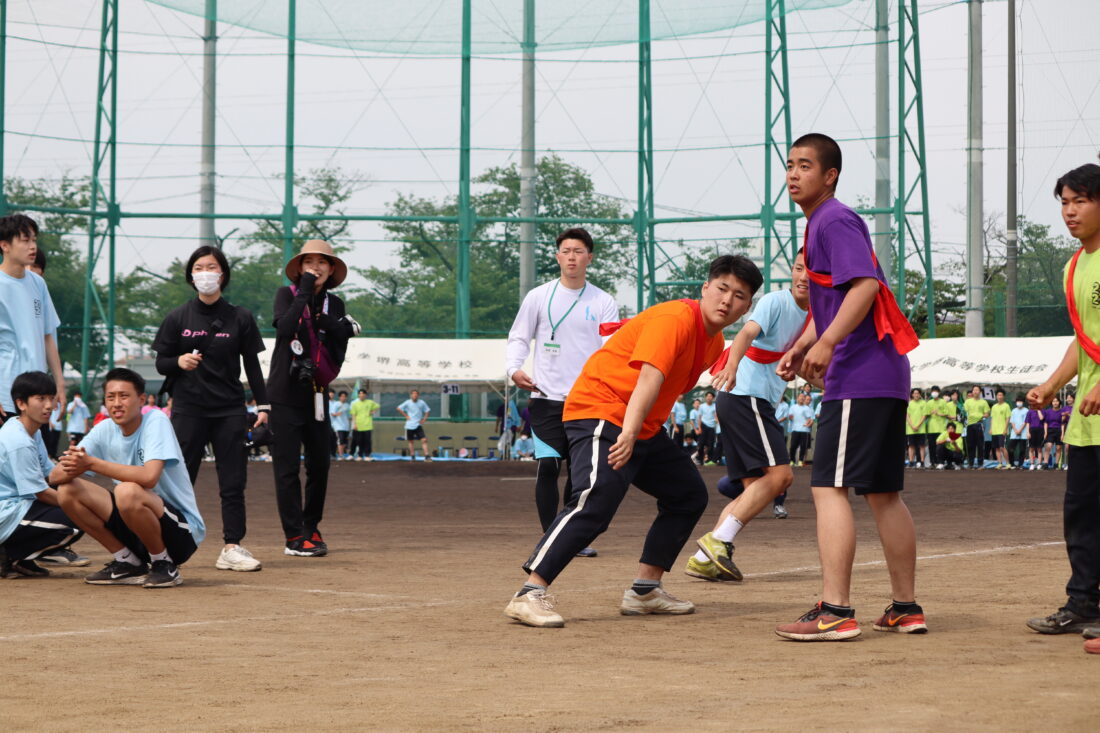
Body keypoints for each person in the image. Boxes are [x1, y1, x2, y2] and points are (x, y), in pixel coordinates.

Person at [504, 254, 762, 628]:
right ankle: (530, 592)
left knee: (688, 494)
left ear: (747, 306)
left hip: (640, 425)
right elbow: (649, 379)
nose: (727, 300)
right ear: (705, 288)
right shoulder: (676, 319)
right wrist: (627, 433)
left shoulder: (713, 340)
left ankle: (645, 590)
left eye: (739, 296)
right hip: (601, 410)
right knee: (596, 498)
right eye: (722, 289)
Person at [774, 133, 925, 641]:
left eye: (805, 165)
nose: (794, 174)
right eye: (790, 165)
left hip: (860, 374)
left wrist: (826, 344)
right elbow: (834, 301)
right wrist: (803, 344)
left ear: (830, 175)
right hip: (884, 372)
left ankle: (835, 610)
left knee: (827, 486)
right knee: (883, 493)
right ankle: (905, 608)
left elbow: (865, 287)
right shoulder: (825, 221)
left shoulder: (832, 219)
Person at [684, 248, 811, 582]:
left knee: (755, 488)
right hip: (745, 396)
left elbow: (801, 365)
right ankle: (717, 542)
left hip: (750, 400)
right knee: (781, 477)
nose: (803, 277)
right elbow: (745, 333)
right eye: (798, 268)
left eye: (812, 271)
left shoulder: (816, 317)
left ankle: (704, 558)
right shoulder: (775, 301)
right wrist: (732, 366)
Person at [153, 245, 270, 573]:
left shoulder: (240, 317)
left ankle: (232, 546)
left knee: (233, 480)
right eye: (199, 267)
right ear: (191, 275)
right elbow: (161, 363)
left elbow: (252, 365)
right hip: (188, 409)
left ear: (223, 274)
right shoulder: (177, 317)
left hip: (229, 409)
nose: (206, 273)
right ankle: (167, 545)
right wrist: (178, 361)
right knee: (180, 478)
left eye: (212, 267)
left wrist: (263, 405)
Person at [505, 227, 619, 556]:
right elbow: (519, 337)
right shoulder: (538, 296)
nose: (572, 257)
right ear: (557, 257)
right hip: (545, 398)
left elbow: (611, 348)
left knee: (579, 475)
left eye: (578, 251)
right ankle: (549, 536)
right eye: (566, 251)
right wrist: (514, 369)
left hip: (587, 400)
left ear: (589, 258)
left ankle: (569, 537)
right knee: (549, 465)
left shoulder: (603, 301)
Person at [1025, 162, 1100, 651]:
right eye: (1065, 203)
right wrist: (1053, 384)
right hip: (1087, 422)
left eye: (1081, 201)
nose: (1070, 211)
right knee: (1081, 514)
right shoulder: (1073, 267)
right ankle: (1083, 603)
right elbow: (1083, 339)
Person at [52, 368, 205, 588]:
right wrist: (75, 462)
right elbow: (56, 475)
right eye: (110, 397)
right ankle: (128, 561)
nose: (116, 403)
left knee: (127, 490)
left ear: (141, 400)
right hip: (134, 525)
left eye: (124, 396)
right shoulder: (104, 428)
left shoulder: (156, 420)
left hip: (181, 534)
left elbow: (149, 478)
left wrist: (91, 463)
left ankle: (163, 564)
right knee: (68, 490)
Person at [268, 240, 356, 557]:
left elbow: (340, 346)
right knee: (287, 468)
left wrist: (333, 325)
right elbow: (285, 328)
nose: (315, 268)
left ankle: (311, 526)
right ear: (300, 268)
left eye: (322, 262)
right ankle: (294, 536)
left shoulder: (335, 304)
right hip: (284, 393)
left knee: (320, 465)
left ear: (331, 269)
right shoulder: (286, 294)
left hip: (317, 393)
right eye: (309, 262)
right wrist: (304, 291)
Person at [0, 372, 85, 578]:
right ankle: (10, 556)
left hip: (19, 505)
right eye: (40, 399)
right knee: (79, 516)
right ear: (21, 403)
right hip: (6, 512)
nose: (49, 406)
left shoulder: (32, 431)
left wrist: (79, 467)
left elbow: (51, 475)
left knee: (78, 498)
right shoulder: (18, 440)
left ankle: (21, 559)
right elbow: (41, 492)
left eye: (51, 398)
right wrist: (83, 504)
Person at [0, 214, 65, 427]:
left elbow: (47, 336)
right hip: (6, 394)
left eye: (34, 240)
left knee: (35, 449)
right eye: (25, 240)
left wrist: (59, 384)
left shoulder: (38, 283)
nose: (32, 246)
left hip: (38, 394)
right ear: (4, 245)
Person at [397, 389, 432, 461]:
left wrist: (424, 419)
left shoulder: (422, 402)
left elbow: (427, 410)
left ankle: (427, 455)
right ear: (411, 395)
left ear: (418, 395)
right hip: (409, 425)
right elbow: (398, 408)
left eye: (416, 394)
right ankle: (412, 456)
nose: (415, 395)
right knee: (411, 441)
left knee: (424, 440)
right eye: (413, 394)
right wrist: (406, 416)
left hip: (418, 424)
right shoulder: (407, 402)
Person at [962, 386, 990, 468]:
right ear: (972, 392)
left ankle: (980, 463)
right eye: (974, 390)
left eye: (977, 390)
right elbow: (964, 412)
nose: (975, 391)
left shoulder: (983, 402)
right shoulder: (968, 401)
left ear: (980, 392)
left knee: (980, 445)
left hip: (979, 424)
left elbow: (987, 414)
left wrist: (980, 416)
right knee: (970, 445)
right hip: (969, 425)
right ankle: (970, 463)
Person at [349, 389, 380, 461]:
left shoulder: (370, 402)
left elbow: (378, 406)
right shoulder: (355, 404)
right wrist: (354, 424)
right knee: (359, 441)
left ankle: (367, 455)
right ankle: (360, 455)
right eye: (360, 394)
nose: (361, 395)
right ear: (358, 395)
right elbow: (353, 415)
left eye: (363, 393)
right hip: (359, 425)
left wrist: (373, 411)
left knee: (367, 441)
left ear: (365, 395)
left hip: (368, 425)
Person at [925, 386, 953, 467]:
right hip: (931, 428)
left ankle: (940, 461)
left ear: (939, 392)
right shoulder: (929, 402)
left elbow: (947, 413)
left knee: (940, 446)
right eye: (933, 391)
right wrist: (930, 413)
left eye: (936, 391)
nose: (934, 393)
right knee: (931, 446)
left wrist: (939, 414)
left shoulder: (943, 402)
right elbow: (926, 414)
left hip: (941, 428)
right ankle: (932, 462)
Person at [788, 392, 813, 466]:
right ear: (797, 398)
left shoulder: (807, 408)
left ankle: (800, 461)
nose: (802, 398)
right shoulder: (793, 407)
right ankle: (792, 460)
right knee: (793, 446)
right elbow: (790, 417)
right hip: (795, 429)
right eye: (800, 396)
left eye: (803, 397)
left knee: (803, 446)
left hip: (804, 430)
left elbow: (810, 419)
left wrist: (808, 423)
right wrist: (790, 417)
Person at [990, 388, 1012, 469]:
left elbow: (1008, 418)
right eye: (998, 395)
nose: (999, 396)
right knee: (997, 448)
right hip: (995, 431)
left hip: (1002, 430)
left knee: (1002, 447)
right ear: (996, 396)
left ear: (1003, 396)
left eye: (1001, 395)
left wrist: (1005, 429)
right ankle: (1000, 463)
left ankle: (1008, 463)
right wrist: (991, 428)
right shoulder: (994, 407)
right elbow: (992, 418)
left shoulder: (1006, 406)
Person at [905, 388, 928, 468]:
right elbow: (907, 416)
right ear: (912, 394)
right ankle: (911, 461)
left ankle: (922, 462)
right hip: (910, 429)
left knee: (922, 446)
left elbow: (924, 415)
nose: (916, 395)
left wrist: (917, 426)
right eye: (915, 393)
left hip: (921, 429)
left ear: (920, 394)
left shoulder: (923, 403)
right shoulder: (909, 403)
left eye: (918, 393)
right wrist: (912, 426)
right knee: (911, 446)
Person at [694, 391, 718, 465]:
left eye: (710, 396)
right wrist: (699, 428)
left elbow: (716, 416)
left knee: (711, 444)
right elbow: (699, 417)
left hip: (712, 427)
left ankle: (709, 460)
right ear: (705, 397)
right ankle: (700, 459)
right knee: (701, 444)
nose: (709, 397)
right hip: (703, 425)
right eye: (707, 396)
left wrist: (717, 422)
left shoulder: (715, 406)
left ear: (713, 398)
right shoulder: (702, 406)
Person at [1042, 396, 1066, 470]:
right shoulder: (1047, 411)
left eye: (1056, 401)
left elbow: (1062, 424)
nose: (1055, 403)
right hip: (1050, 431)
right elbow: (1045, 423)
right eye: (1053, 401)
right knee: (1048, 446)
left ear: (1059, 402)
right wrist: (1045, 433)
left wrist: (1062, 434)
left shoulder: (1062, 411)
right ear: (1051, 403)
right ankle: (1045, 463)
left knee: (1058, 448)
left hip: (1059, 431)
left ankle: (1056, 464)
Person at [1009, 395, 1030, 469]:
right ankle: (1012, 464)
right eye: (1018, 401)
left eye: (1020, 401)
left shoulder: (1026, 410)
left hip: (1023, 434)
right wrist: (1015, 430)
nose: (1019, 403)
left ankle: (1021, 464)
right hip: (1014, 434)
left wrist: (1020, 430)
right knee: (1010, 449)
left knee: (1022, 450)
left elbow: (1025, 422)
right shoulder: (1013, 410)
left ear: (1023, 402)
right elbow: (1012, 421)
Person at [330, 390, 351, 460]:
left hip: (346, 426)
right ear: (339, 397)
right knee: (340, 440)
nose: (343, 398)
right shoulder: (336, 404)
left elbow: (349, 415)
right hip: (338, 426)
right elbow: (332, 413)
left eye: (345, 396)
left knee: (345, 441)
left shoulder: (347, 405)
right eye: (342, 396)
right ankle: (340, 455)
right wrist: (337, 414)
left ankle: (342, 454)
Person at [1026, 403, 1046, 470]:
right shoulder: (1030, 412)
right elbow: (1028, 423)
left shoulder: (1043, 411)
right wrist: (1028, 432)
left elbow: (1041, 418)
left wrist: (1038, 410)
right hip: (1032, 430)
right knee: (1031, 448)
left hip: (1040, 430)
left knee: (1039, 448)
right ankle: (1032, 464)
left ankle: (1039, 464)